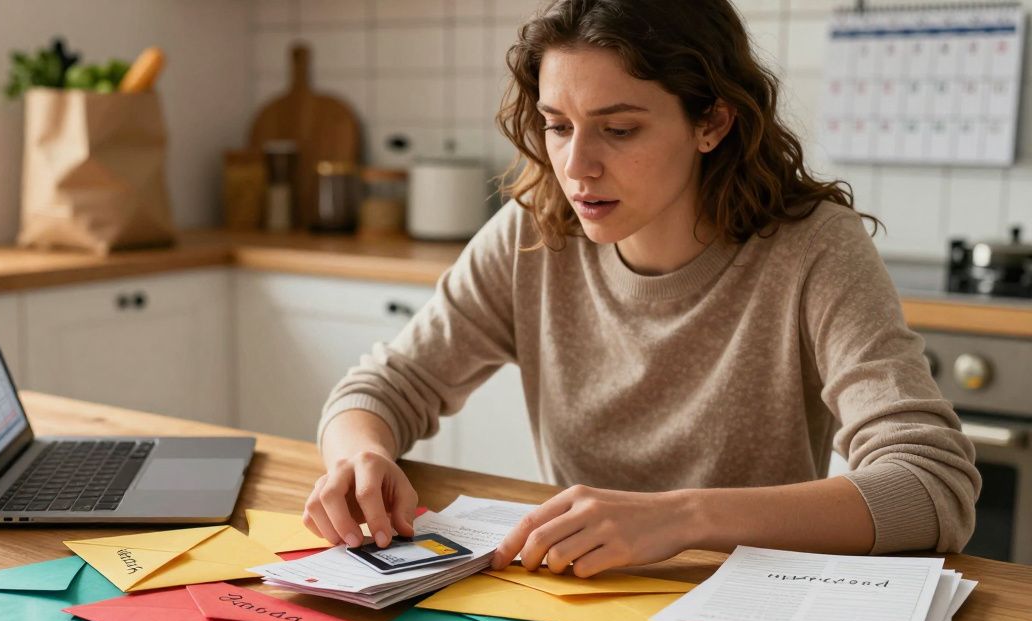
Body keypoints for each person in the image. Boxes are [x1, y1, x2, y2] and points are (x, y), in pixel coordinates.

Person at [302, 0, 979, 578]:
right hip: (579, 598)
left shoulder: (813, 248)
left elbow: (931, 486)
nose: (575, 166)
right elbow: (381, 390)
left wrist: (684, 518)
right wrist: (360, 457)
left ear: (711, 122)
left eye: (619, 129)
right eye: (558, 125)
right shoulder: (534, 232)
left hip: (747, 603)